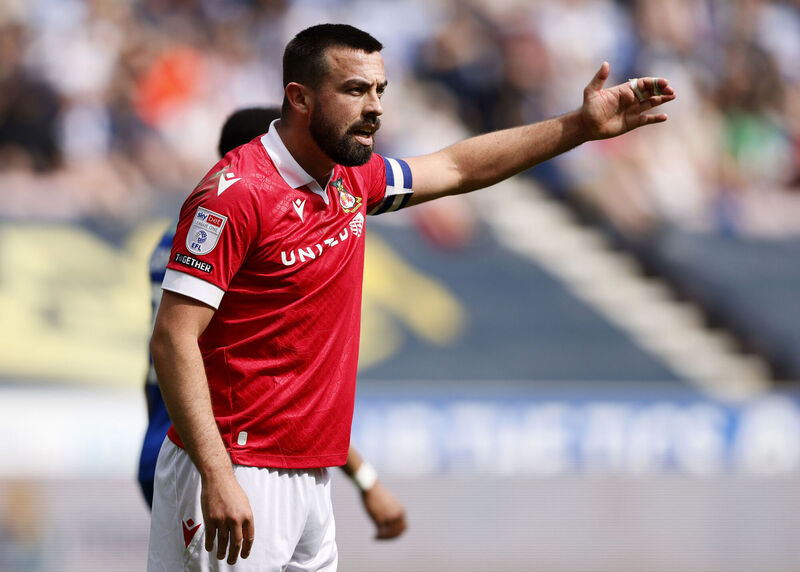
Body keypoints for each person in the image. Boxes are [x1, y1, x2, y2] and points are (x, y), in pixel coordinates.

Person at [147, 23, 675, 571]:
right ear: (299, 98)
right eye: (356, 90)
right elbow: (172, 338)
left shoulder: (350, 179)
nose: (375, 107)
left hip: (310, 472)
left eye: (380, 90)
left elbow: (457, 167)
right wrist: (218, 474)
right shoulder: (237, 194)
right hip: (238, 466)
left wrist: (579, 127)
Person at [138, 106, 406, 541]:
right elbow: (277, 391)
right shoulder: (238, 235)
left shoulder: (180, 237)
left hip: (170, 434)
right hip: (219, 448)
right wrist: (366, 481)